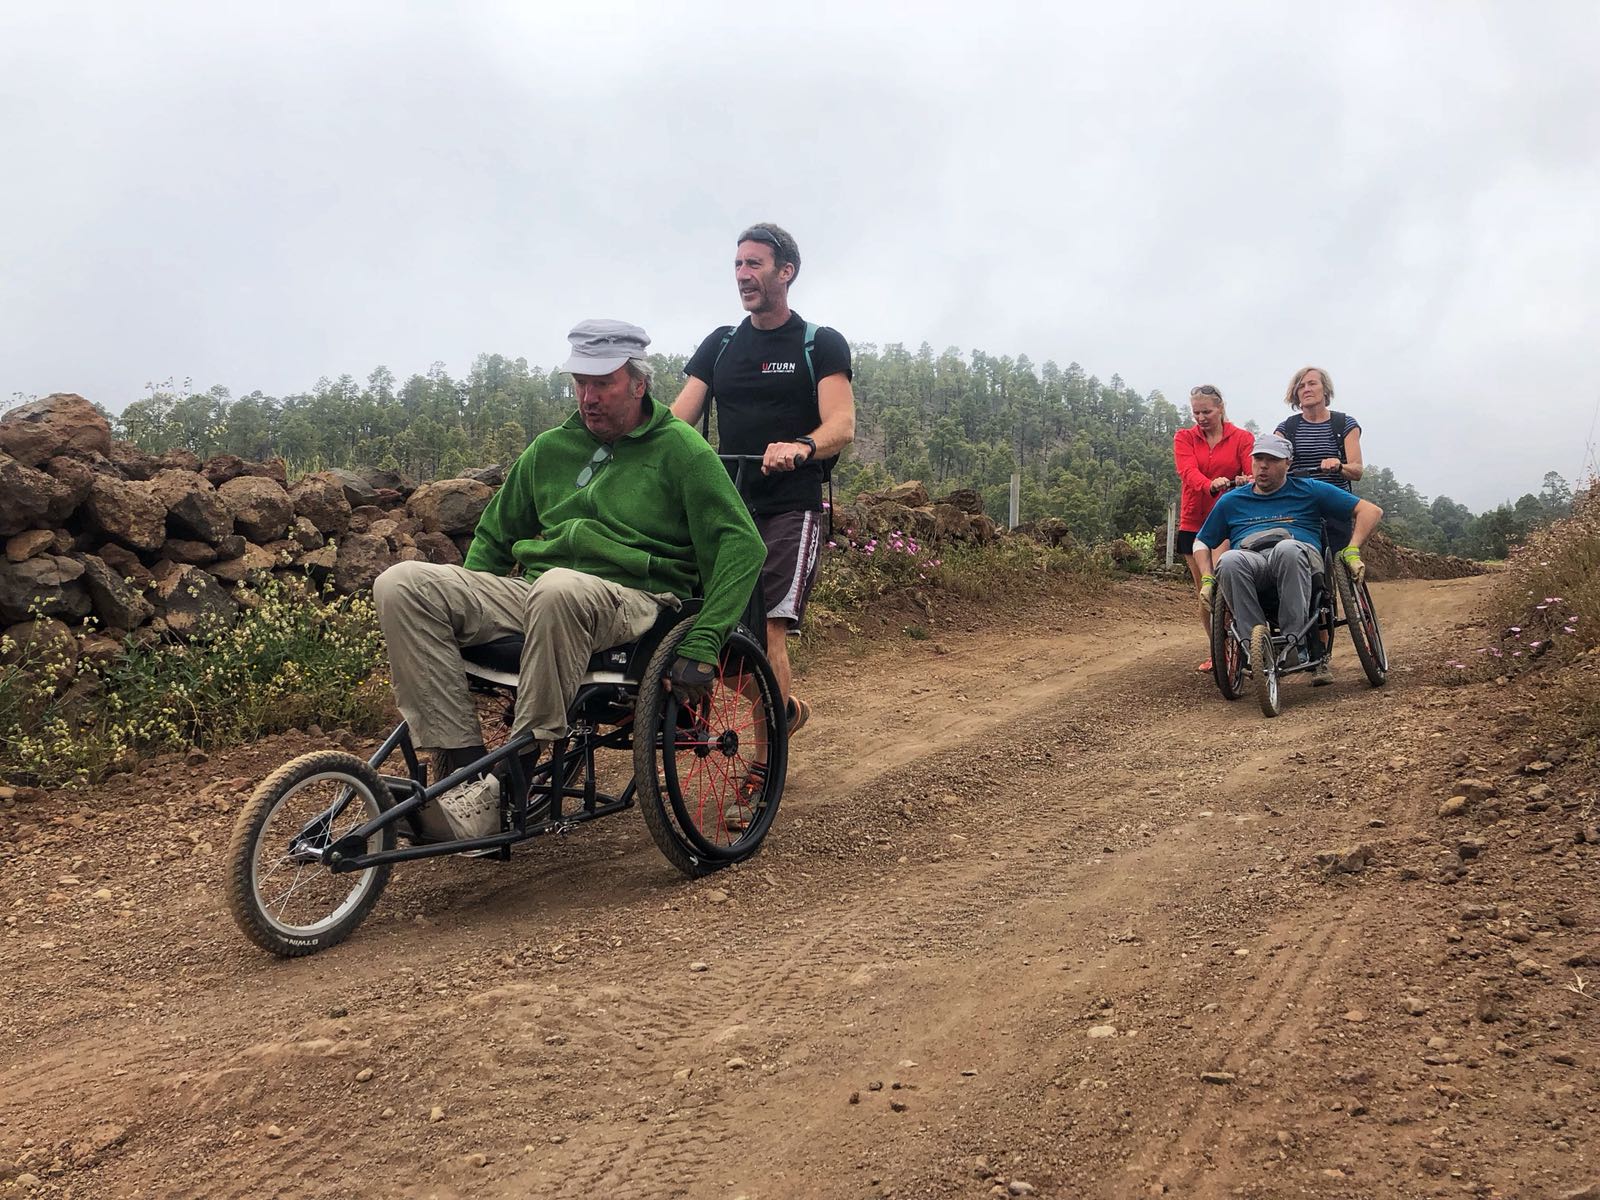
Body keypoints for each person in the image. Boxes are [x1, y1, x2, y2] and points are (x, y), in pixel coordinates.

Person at [373, 319, 765, 840]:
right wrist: (469, 613)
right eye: (580, 382)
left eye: (603, 383)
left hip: (637, 601)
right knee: (401, 584)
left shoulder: (682, 451)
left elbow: (743, 545)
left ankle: (514, 775)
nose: (588, 397)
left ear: (639, 384)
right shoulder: (549, 449)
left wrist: (705, 639)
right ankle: (465, 774)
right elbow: (494, 536)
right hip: (540, 593)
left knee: (559, 587)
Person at [671, 222, 856, 735]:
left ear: (786, 272)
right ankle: (781, 712)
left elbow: (842, 425)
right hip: (726, 506)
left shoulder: (819, 343)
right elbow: (678, 420)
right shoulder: (721, 344)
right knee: (704, 621)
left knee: (768, 627)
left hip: (789, 506)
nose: (742, 274)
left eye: (754, 263)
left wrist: (801, 446)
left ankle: (762, 761)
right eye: (738, 264)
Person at [1192, 433, 1382, 686]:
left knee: (1287, 550)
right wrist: (1207, 578)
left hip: (1298, 557)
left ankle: (1295, 644)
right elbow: (1201, 542)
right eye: (1258, 459)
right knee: (1228, 561)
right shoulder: (1232, 501)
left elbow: (1370, 511)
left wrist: (1352, 549)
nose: (1263, 466)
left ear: (1288, 463)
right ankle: (1255, 649)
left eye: (1272, 460)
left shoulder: (1309, 489)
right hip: (1252, 561)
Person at [1172, 384, 1254, 672]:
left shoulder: (1242, 438)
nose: (1201, 418)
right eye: (1196, 412)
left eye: (1206, 411)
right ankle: (1218, 651)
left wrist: (1243, 479)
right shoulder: (1184, 437)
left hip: (1227, 521)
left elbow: (1252, 472)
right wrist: (1209, 485)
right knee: (1205, 591)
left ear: (1220, 408)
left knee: (1225, 580)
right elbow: (1187, 471)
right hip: (1194, 521)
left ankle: (1244, 645)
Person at [1273, 366, 1363, 553]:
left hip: (1335, 504)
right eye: (1301, 386)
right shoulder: (1286, 428)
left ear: (1325, 390)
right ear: (1296, 394)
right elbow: (1272, 462)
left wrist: (1339, 466)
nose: (1306, 389)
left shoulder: (1344, 424)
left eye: (1312, 384)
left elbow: (1357, 470)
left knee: (1337, 557)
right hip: (1298, 506)